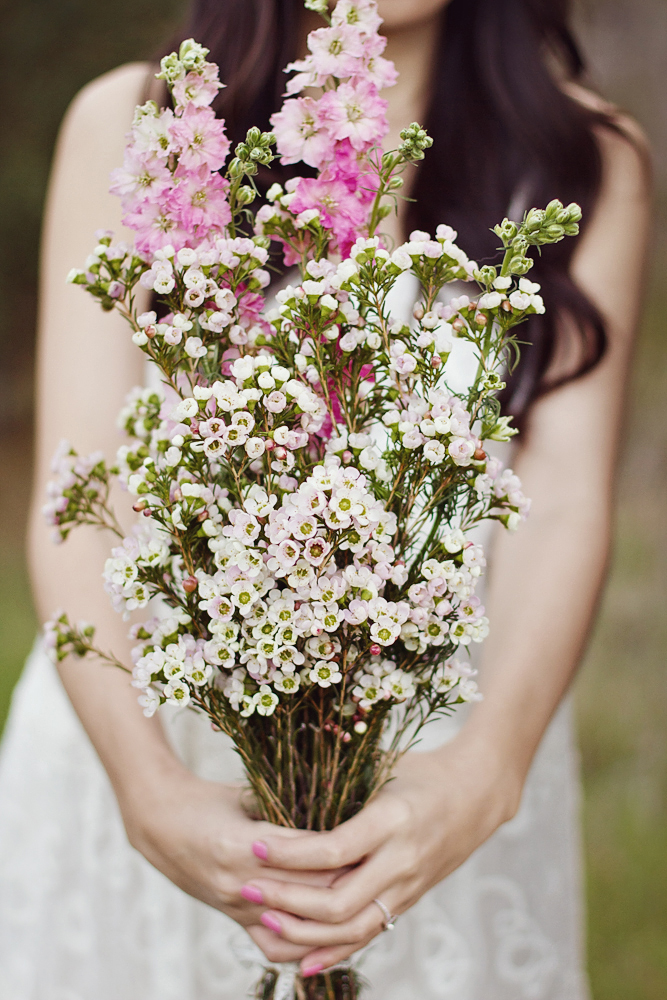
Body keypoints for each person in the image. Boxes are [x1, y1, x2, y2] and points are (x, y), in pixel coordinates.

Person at [0, 0, 651, 997]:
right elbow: (77, 490)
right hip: (148, 730)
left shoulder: (579, 159)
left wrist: (485, 768)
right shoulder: (134, 124)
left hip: (428, 771)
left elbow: (560, 500)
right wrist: (147, 788)